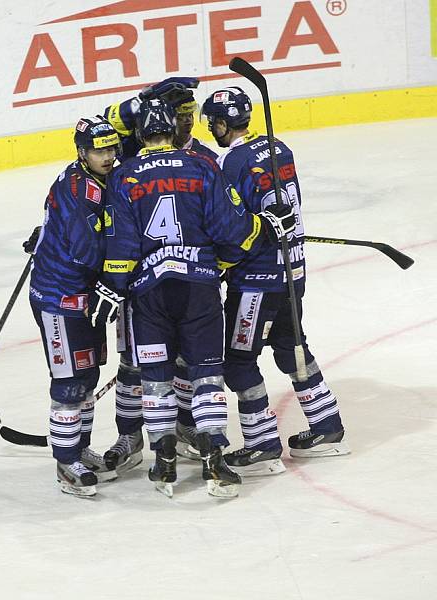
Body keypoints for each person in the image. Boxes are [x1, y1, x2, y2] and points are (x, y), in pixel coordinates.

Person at [102, 99, 296, 498]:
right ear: (175, 130)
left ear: (140, 135)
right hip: (198, 288)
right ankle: (214, 456)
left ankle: (164, 459)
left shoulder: (124, 175)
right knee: (206, 374)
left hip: (150, 295)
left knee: (156, 377)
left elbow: (120, 244)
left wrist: (114, 285)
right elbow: (233, 228)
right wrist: (230, 253)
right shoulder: (203, 166)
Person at [200, 87, 350, 476]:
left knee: (238, 361)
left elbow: (233, 226)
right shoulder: (279, 147)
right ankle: (327, 426)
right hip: (293, 269)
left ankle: (262, 444)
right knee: (291, 346)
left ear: (220, 124)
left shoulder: (230, 163)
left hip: (256, 279)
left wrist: (220, 260)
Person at [28, 116, 124, 497]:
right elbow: (88, 250)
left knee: (87, 376)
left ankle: (79, 449)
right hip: (59, 297)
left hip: (84, 297)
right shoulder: (79, 190)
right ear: (82, 153)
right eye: (99, 150)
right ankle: (66, 462)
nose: (108, 156)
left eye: (111, 148)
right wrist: (121, 270)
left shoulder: (98, 178)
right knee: (69, 381)